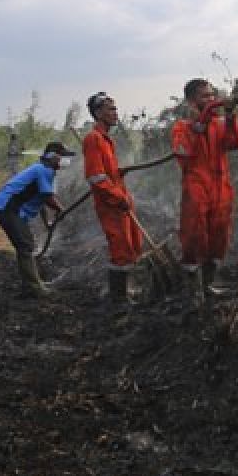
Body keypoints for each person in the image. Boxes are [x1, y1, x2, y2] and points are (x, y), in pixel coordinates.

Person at [172, 79, 238, 302]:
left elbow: (235, 143)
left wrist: (231, 116)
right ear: (191, 101)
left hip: (221, 188)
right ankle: (192, 290)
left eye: (213, 95)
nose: (212, 100)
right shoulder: (182, 127)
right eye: (205, 96)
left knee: (219, 237)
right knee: (194, 236)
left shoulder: (220, 123)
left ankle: (208, 285)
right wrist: (198, 127)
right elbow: (183, 153)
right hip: (197, 187)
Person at [83, 91, 144, 315]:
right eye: (110, 109)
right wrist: (119, 198)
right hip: (110, 204)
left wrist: (121, 183)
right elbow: (96, 178)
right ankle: (118, 299)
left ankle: (126, 289)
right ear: (98, 113)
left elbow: (107, 173)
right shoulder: (93, 139)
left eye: (115, 108)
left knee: (132, 245)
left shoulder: (107, 139)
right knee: (120, 248)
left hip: (119, 200)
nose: (115, 113)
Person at [0, 141, 73, 297]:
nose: (65, 161)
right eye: (63, 156)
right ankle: (33, 288)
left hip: (10, 209)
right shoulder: (43, 170)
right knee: (25, 245)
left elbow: (41, 200)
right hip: (7, 207)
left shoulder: (46, 171)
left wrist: (47, 222)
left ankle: (31, 283)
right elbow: (48, 198)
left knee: (25, 244)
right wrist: (61, 209)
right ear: (53, 156)